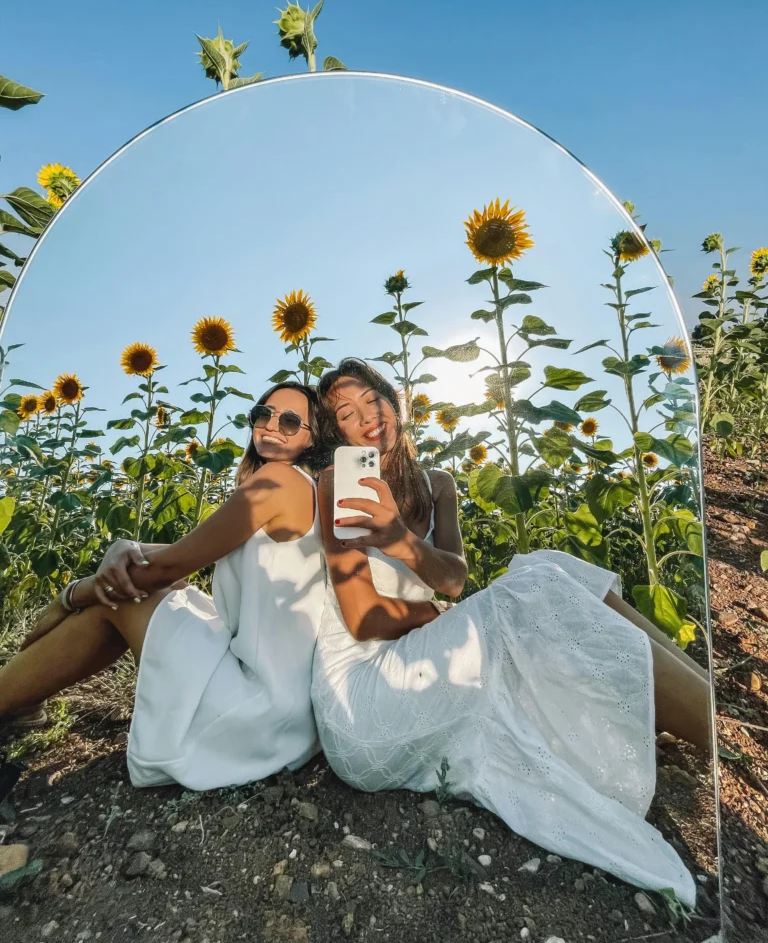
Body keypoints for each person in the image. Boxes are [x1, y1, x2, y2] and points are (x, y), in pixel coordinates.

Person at [310, 358, 713, 907]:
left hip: (422, 663)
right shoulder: (338, 482)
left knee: (550, 565)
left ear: (393, 399)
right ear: (338, 435)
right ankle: (719, 731)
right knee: (539, 585)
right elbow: (362, 617)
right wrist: (441, 617)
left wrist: (401, 540)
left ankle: (708, 706)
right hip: (365, 697)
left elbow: (453, 579)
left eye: (370, 401)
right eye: (346, 415)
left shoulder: (438, 485)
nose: (366, 419)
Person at [0, 384, 328, 791]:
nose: (272, 425)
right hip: (289, 715)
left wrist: (70, 595)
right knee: (166, 603)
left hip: (255, 708)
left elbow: (171, 566)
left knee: (124, 602)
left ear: (312, 439)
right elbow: (187, 553)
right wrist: (131, 546)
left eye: (291, 421)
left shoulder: (277, 480)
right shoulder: (301, 487)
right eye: (264, 412)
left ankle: (12, 697)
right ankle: (24, 700)